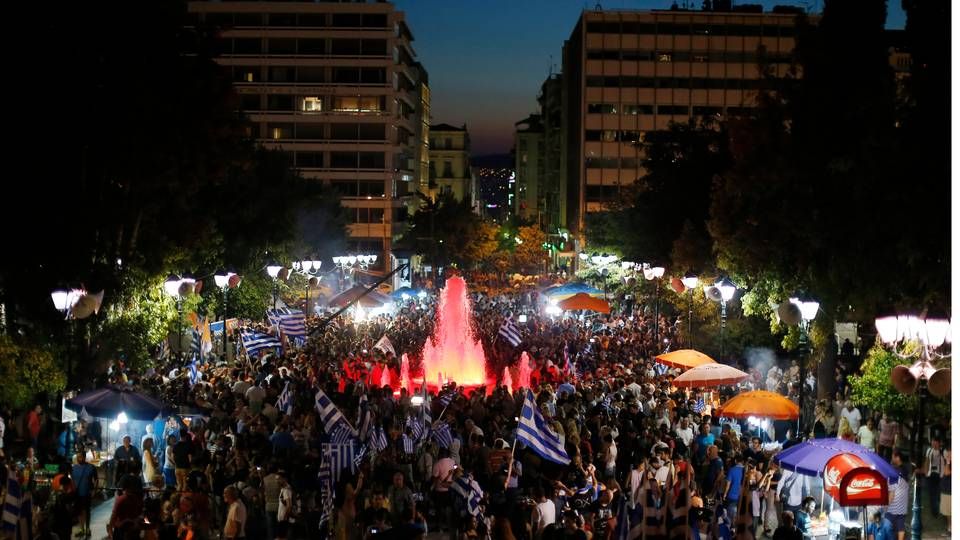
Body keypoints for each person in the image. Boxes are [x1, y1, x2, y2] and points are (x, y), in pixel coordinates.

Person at [72, 450, 97, 538]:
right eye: (78, 457)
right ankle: (82, 529)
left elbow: (96, 479)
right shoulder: (73, 468)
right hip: (77, 494)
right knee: (79, 512)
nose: (79, 458)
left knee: (87, 512)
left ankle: (87, 529)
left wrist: (94, 490)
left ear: (84, 457)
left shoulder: (91, 467)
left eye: (81, 457)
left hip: (86, 493)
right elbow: (72, 480)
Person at [921, 435, 945, 518]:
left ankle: (940, 510)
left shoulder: (943, 452)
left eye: (936, 443)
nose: (934, 444)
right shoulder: (929, 450)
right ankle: (934, 512)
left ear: (939, 443)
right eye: (932, 442)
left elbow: (945, 463)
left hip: (940, 474)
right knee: (932, 494)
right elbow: (926, 461)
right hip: (930, 474)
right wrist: (925, 472)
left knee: (938, 494)